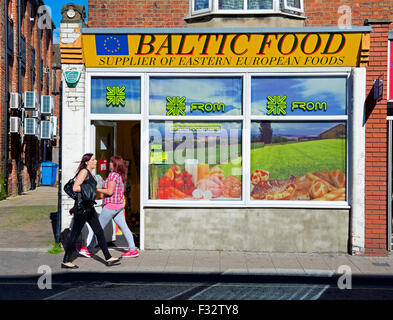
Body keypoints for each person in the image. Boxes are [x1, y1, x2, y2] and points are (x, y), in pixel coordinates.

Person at [61, 153, 122, 269]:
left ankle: (108, 258)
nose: (96, 161)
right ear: (87, 162)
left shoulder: (91, 174)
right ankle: (66, 260)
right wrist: (91, 189)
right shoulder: (84, 172)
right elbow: (75, 188)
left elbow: (87, 192)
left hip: (89, 207)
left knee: (99, 231)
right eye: (93, 159)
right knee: (75, 234)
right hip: (82, 209)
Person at [86, 155, 139, 258]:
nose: (109, 163)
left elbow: (109, 191)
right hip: (118, 206)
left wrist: (95, 189)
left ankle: (89, 249)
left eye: (111, 162)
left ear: (115, 164)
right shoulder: (119, 175)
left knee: (98, 228)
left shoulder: (113, 175)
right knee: (125, 228)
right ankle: (133, 249)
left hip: (111, 206)